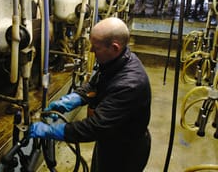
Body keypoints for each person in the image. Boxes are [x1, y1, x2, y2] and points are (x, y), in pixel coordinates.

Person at [30, 17, 152, 172]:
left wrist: (52, 131)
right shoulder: (117, 61)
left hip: (125, 151)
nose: (91, 51)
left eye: (96, 47)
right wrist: (72, 99)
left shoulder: (130, 85)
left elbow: (95, 128)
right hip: (110, 141)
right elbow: (95, 84)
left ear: (114, 47)